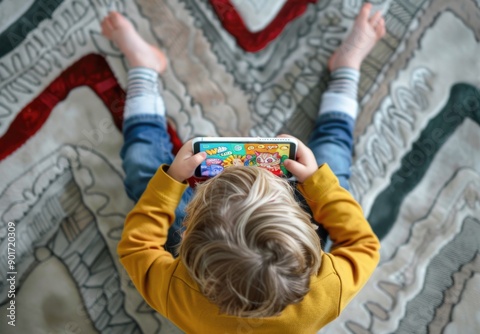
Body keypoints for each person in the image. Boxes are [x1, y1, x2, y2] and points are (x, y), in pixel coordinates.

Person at [104, 3, 384, 332]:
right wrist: (319, 185)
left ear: (189, 246)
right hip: (275, 241)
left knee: (143, 170)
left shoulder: (179, 294)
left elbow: (136, 246)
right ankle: (346, 69)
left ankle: (144, 70)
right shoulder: (327, 291)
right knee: (333, 163)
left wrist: (171, 182)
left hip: (246, 237)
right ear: (306, 241)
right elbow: (364, 245)